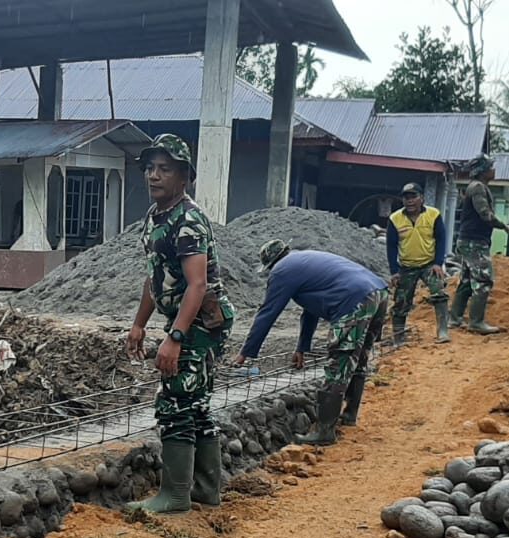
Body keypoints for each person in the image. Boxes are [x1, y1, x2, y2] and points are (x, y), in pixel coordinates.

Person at [124, 134, 235, 514]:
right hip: (188, 318)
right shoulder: (156, 217)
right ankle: (205, 490)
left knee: (175, 399)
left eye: (164, 169)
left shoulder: (187, 220)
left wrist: (174, 338)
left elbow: (197, 283)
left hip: (201, 321)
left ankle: (175, 496)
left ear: (183, 176)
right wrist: (139, 324)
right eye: (150, 168)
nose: (154, 176)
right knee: (196, 403)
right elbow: (156, 277)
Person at [231, 241, 388, 445]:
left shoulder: (282, 270)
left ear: (271, 264)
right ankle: (349, 415)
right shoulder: (303, 261)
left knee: (339, 362)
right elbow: (311, 311)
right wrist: (302, 348)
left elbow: (268, 312)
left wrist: (246, 353)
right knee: (359, 358)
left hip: (353, 299)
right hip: (378, 292)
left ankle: (324, 432)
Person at [448, 155, 509, 335]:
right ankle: (476, 322)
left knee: (466, 280)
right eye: (491, 167)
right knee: (483, 280)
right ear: (483, 171)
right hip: (474, 242)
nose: (494, 170)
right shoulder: (478, 188)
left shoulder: (475, 187)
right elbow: (485, 214)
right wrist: (505, 227)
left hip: (468, 240)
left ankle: (454, 319)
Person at [385, 182, 451, 344]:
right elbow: (391, 246)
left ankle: (442, 331)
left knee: (439, 292)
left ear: (421, 198)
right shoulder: (395, 219)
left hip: (429, 264)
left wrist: (438, 263)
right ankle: (399, 336)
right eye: (406, 198)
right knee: (401, 301)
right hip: (406, 266)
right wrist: (394, 271)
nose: (410, 201)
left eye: (413, 197)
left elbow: (441, 239)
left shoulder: (433, 215)